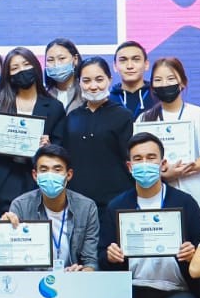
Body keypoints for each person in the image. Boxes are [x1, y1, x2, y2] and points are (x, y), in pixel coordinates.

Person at [101, 133, 200, 298]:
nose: (145, 164)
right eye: (138, 159)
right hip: (132, 292)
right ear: (129, 166)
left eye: (151, 158)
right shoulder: (117, 206)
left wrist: (193, 253)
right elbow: (101, 253)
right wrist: (109, 255)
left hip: (174, 291)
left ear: (162, 163)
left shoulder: (184, 202)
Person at [0, 48, 66, 213]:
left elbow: (60, 152)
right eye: (15, 68)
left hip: (36, 184)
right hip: (0, 183)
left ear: (36, 67)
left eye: (26, 64)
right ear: (8, 74)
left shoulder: (55, 107)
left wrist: (48, 148)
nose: (22, 71)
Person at [135, 57, 200, 218]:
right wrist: (163, 173)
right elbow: (137, 161)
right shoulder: (144, 120)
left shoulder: (198, 115)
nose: (165, 84)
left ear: (182, 82)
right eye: (158, 80)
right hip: (154, 201)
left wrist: (181, 169)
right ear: (152, 86)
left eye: (171, 78)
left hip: (194, 197)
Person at [8, 145, 101, 271]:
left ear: (69, 175)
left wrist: (82, 272)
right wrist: (4, 231)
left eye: (57, 170)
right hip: (33, 279)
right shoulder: (20, 206)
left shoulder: (87, 207)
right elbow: (13, 260)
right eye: (44, 170)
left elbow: (90, 261)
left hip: (72, 279)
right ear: (35, 175)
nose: (50, 175)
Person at [63, 58, 136, 211]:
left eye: (99, 79)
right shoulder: (72, 117)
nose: (93, 86)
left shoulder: (123, 116)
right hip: (79, 202)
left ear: (109, 80)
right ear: (79, 83)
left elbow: (130, 158)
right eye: (86, 81)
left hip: (116, 200)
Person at [113, 40, 154, 116]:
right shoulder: (107, 101)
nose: (130, 66)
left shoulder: (158, 97)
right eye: (123, 60)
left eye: (136, 60)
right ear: (115, 66)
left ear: (146, 64)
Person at [44, 38, 84, 113]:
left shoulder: (86, 93)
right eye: (50, 60)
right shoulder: (43, 96)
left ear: (75, 59)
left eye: (62, 58)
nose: (56, 65)